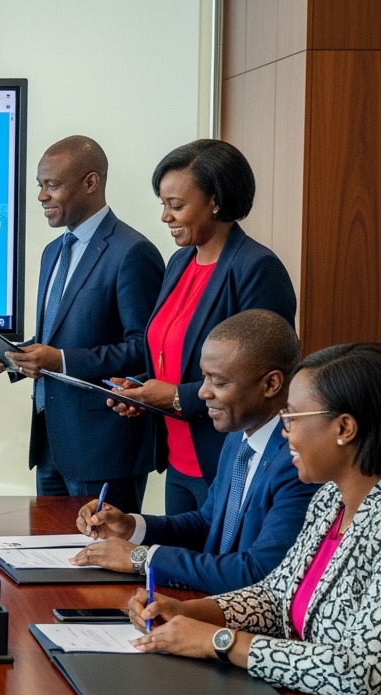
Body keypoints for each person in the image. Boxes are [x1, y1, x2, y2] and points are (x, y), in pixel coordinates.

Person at [127, 342, 381, 695]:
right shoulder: (331, 499)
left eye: (292, 416)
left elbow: (359, 673)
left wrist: (219, 640)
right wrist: (197, 612)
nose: (284, 429)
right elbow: (276, 596)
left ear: (345, 428)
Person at [107, 139, 296, 513]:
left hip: (225, 456)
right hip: (179, 458)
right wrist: (143, 389)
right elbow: (173, 355)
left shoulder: (256, 268)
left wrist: (176, 396)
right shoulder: (178, 263)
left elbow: (266, 378)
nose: (165, 217)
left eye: (176, 206)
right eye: (163, 204)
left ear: (216, 201)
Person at [69, 310, 320, 593]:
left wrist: (141, 558)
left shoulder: (298, 461)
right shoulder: (239, 435)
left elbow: (258, 572)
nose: (202, 393)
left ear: (271, 384)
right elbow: (206, 523)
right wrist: (130, 527)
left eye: (219, 382)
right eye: (204, 378)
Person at [0, 136, 164, 515]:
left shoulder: (132, 252)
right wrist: (11, 358)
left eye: (53, 185)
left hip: (104, 447)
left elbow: (145, 349)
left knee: (100, 564)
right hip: (50, 445)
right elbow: (55, 336)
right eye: (40, 185)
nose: (42, 196)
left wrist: (59, 360)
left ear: (91, 183)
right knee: (49, 562)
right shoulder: (53, 252)